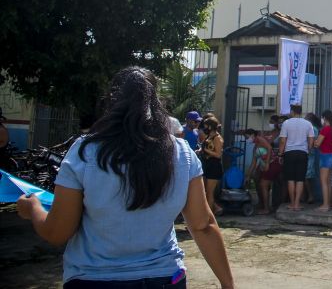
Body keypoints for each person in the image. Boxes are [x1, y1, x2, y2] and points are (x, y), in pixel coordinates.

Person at [16, 66, 234, 288]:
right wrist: (228, 285)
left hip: (94, 280)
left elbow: (57, 232)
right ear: (156, 101)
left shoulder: (85, 151)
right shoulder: (181, 153)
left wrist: (33, 208)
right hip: (164, 279)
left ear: (112, 101)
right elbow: (203, 226)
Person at [278, 105, 315, 211]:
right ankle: (297, 204)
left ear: (292, 111)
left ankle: (292, 203)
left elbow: (282, 141)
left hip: (289, 153)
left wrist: (280, 154)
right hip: (302, 153)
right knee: (300, 179)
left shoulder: (286, 123)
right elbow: (311, 140)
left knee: (290, 179)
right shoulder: (308, 124)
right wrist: (308, 150)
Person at [198, 116, 224, 216]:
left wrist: (206, 150)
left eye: (205, 126)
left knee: (209, 193)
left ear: (210, 126)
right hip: (207, 165)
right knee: (204, 192)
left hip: (214, 167)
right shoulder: (209, 136)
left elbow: (218, 154)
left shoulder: (217, 138)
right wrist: (200, 150)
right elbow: (206, 147)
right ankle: (211, 211)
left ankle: (208, 216)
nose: (204, 127)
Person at [245, 128, 274, 214]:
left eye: (247, 137)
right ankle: (262, 203)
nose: (247, 139)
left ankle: (266, 208)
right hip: (263, 166)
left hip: (271, 164)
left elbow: (269, 148)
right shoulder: (255, 146)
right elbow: (253, 163)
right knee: (256, 180)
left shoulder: (260, 139)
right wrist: (248, 176)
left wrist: (267, 163)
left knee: (263, 185)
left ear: (252, 135)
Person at [314, 110, 332, 211]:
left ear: (324, 117)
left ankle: (325, 205)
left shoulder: (325, 129)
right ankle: (329, 204)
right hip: (331, 156)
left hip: (325, 156)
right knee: (328, 182)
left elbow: (317, 144)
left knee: (323, 182)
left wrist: (314, 141)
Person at [304, 112, 322, 204]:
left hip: (309, 153)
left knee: (307, 176)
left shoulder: (312, 129)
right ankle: (308, 195)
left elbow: (312, 141)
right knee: (307, 176)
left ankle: (310, 195)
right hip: (308, 153)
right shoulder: (311, 128)